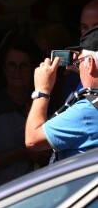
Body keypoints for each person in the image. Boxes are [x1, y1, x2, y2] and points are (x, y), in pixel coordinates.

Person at [0, 34, 51, 190]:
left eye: (24, 65)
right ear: (4, 68)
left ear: (34, 68)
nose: (17, 71)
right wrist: (23, 153)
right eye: (12, 65)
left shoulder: (45, 104)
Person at [25, 26, 98, 161]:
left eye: (81, 61)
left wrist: (42, 90)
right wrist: (85, 70)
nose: (78, 64)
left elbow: (32, 140)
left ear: (90, 63)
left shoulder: (87, 111)